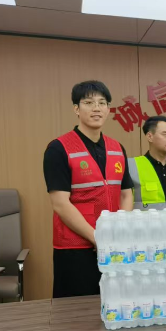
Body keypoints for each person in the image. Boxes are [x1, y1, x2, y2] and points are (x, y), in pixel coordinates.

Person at [43, 80, 134, 298]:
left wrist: (118, 230)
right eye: (89, 103)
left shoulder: (117, 148)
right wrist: (96, 237)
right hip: (76, 247)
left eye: (102, 103)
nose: (97, 108)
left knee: (114, 303)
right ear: (76, 109)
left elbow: (126, 193)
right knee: (76, 310)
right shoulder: (58, 148)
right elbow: (60, 203)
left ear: (109, 109)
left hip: (113, 244)